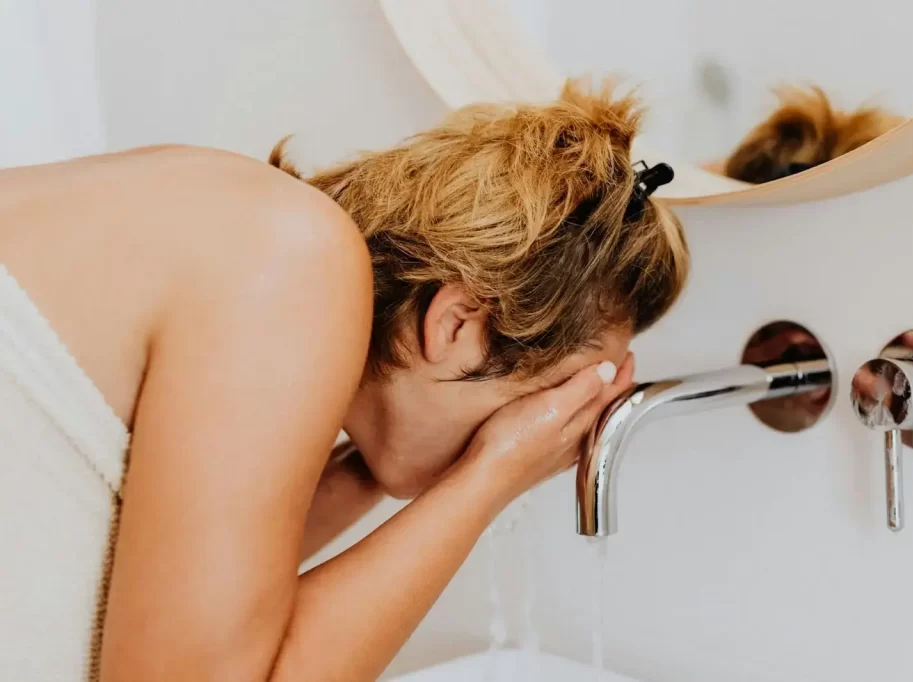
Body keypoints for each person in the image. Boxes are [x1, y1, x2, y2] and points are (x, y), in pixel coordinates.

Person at [0, 81, 688, 681]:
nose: (562, 426)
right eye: (563, 389)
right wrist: (490, 474)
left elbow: (180, 607)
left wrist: (382, 471)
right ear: (457, 324)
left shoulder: (256, 239)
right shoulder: (289, 257)